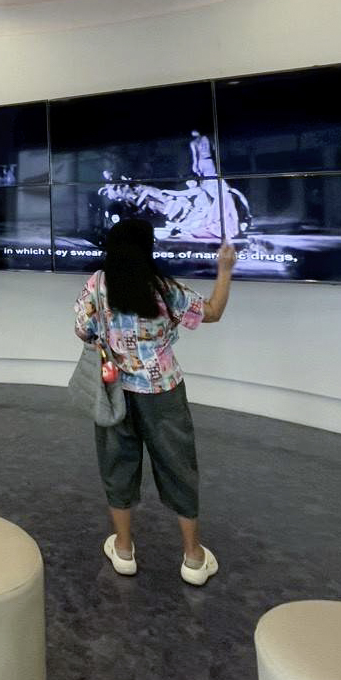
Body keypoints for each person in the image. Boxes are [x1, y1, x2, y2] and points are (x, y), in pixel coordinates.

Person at [73, 218, 236, 586]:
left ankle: (124, 550)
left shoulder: (97, 285)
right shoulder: (165, 289)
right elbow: (212, 311)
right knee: (179, 467)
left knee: (117, 465)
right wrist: (225, 269)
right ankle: (193, 557)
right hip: (164, 393)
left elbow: (83, 330)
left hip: (114, 392)